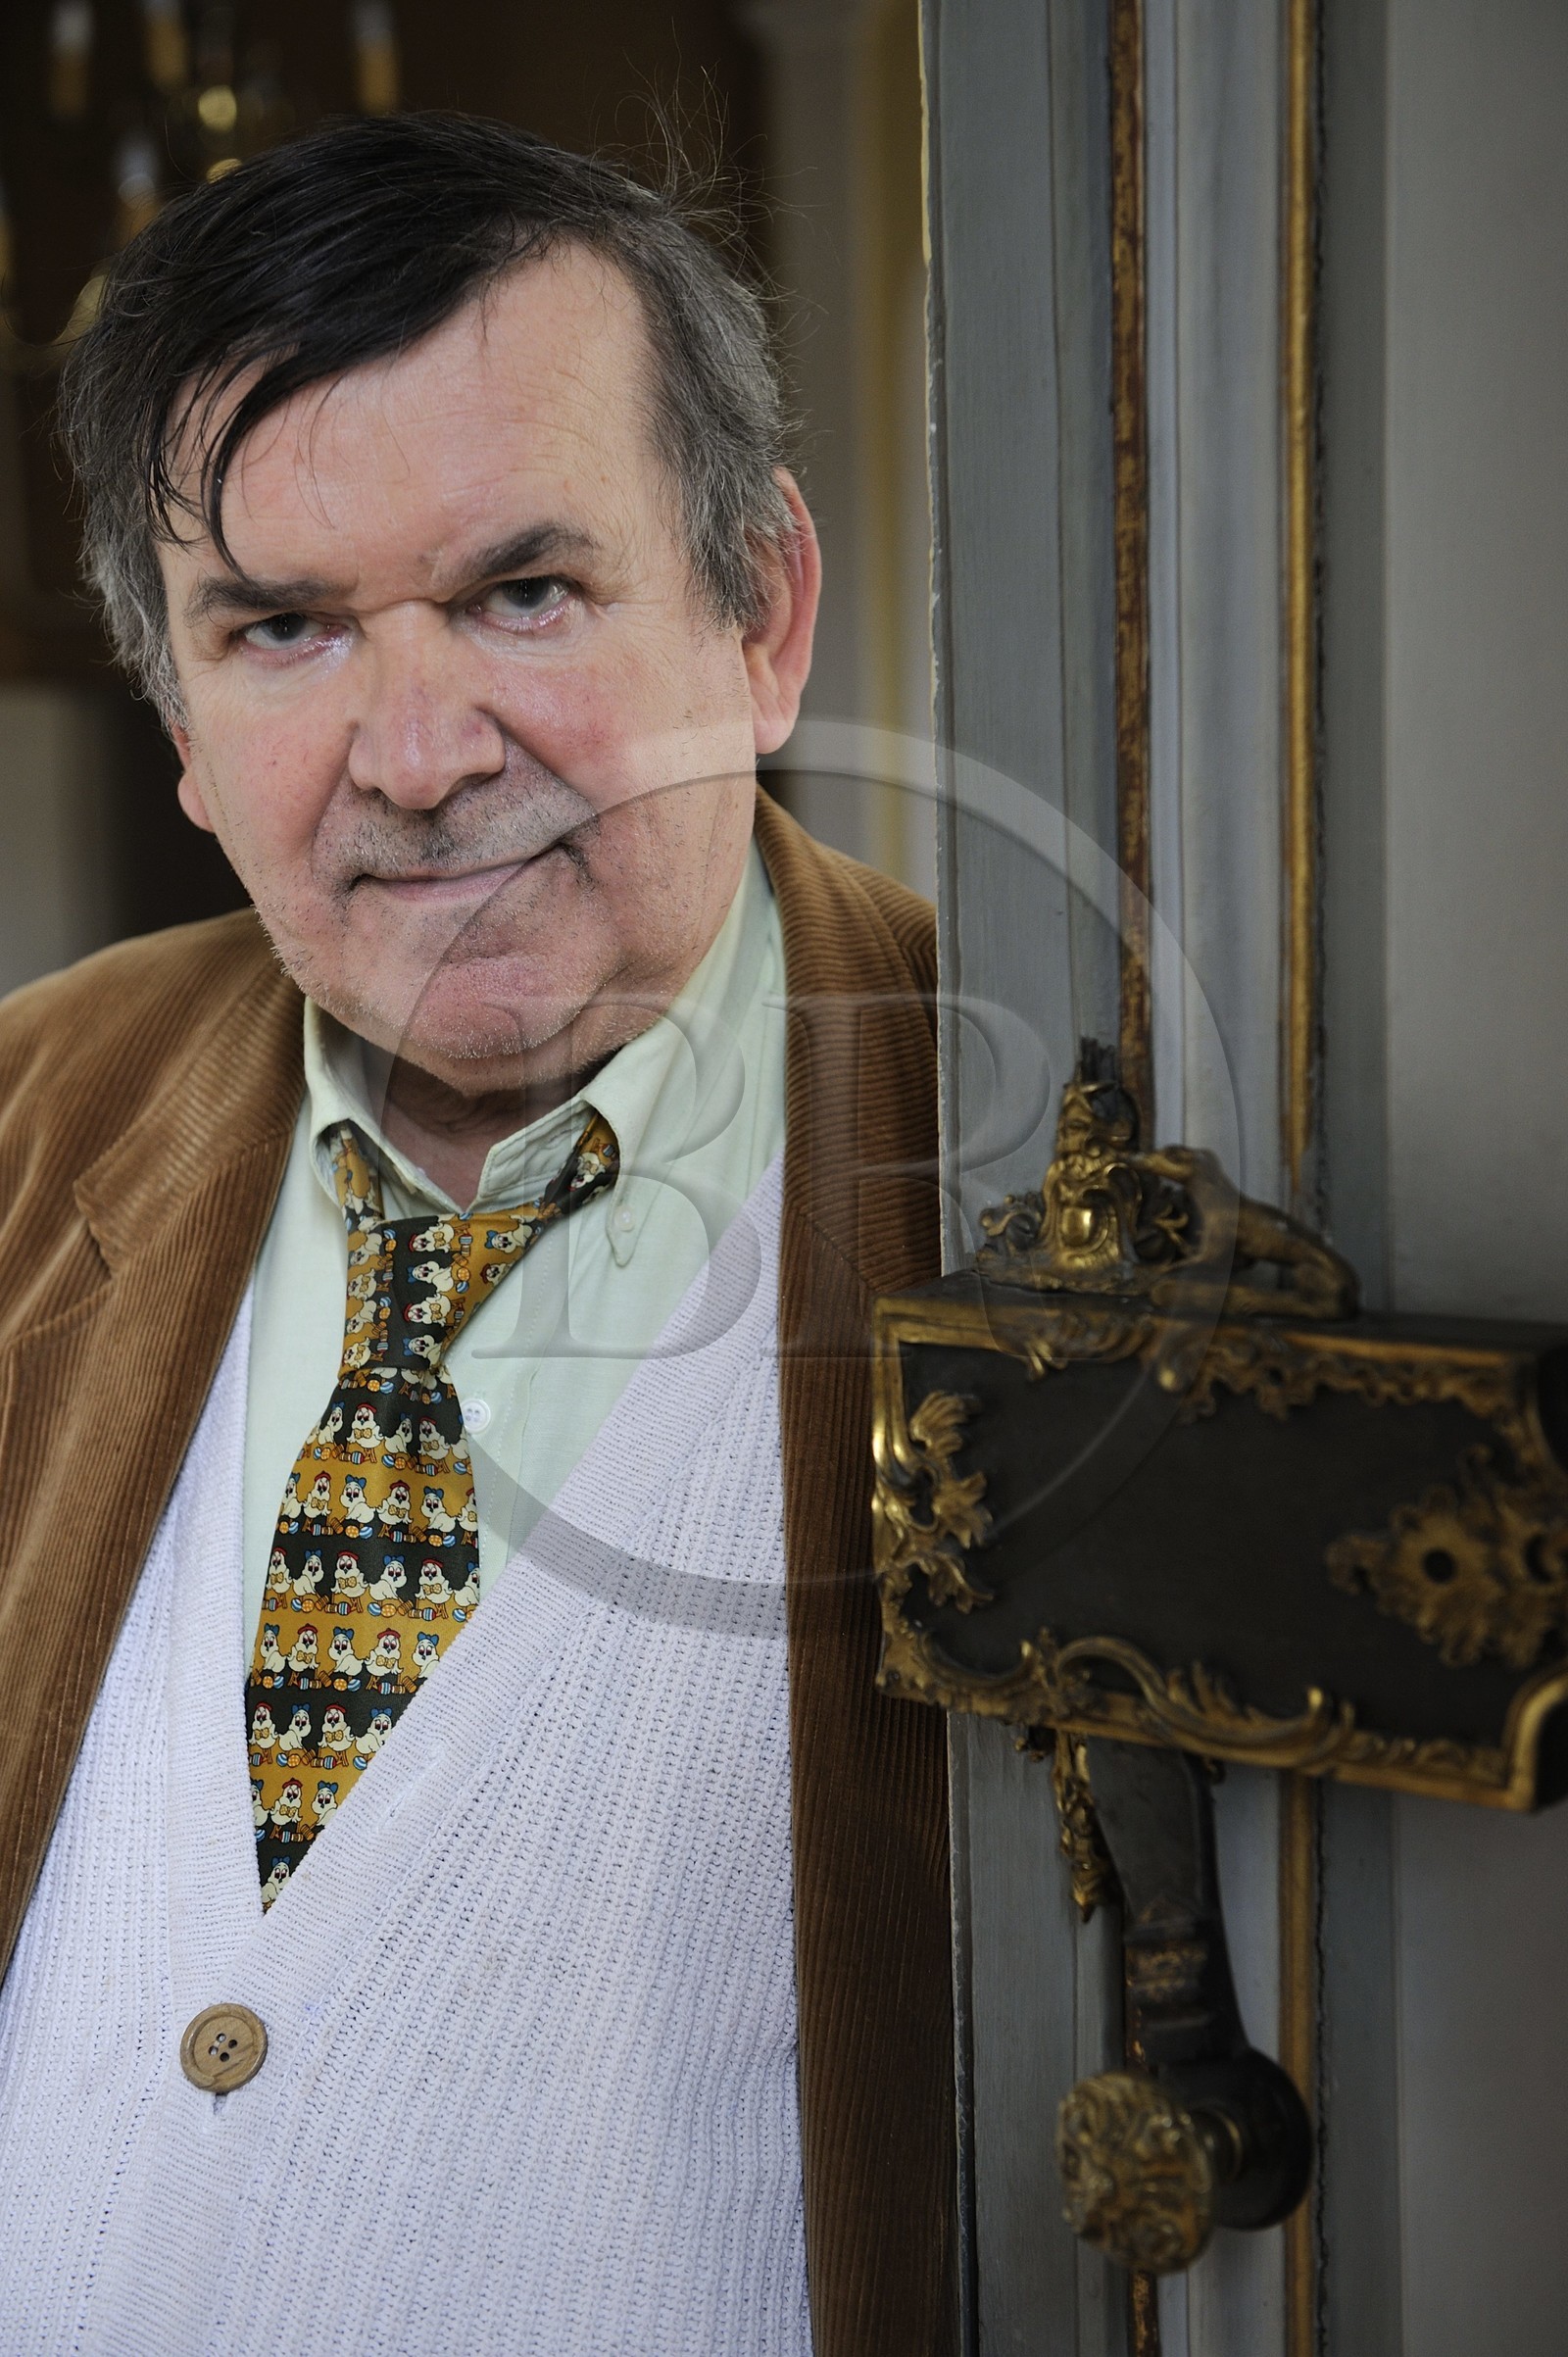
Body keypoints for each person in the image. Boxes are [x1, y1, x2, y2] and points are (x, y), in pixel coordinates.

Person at [0, 115, 953, 2356]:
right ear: (181, 722)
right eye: (284, 630)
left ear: (761, 613)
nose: (416, 754)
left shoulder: (1052, 1157)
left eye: (525, 592)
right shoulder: (30, 1115)